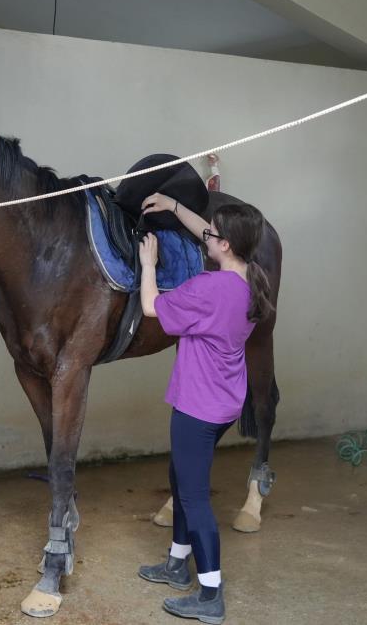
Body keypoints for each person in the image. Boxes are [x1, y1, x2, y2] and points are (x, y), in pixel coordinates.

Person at [135, 193, 275, 623]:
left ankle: (210, 593)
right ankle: (178, 564)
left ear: (226, 245)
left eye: (212, 235)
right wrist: (175, 208)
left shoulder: (207, 288)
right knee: (180, 479)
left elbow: (150, 307)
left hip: (197, 407)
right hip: (224, 402)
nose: (206, 238)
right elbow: (211, 234)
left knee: (193, 498)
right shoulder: (252, 278)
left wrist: (148, 267)